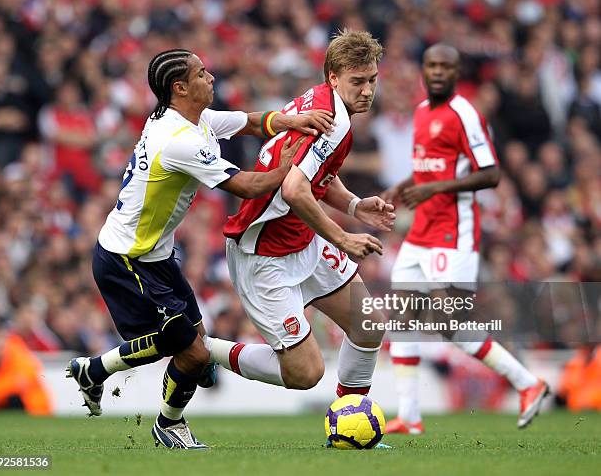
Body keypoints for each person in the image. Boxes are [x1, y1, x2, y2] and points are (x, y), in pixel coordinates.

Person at [66, 49, 334, 449]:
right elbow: (247, 185)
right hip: (126, 258)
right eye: (201, 73)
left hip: (157, 256)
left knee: (194, 350)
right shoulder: (177, 141)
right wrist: (291, 168)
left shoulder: (193, 119)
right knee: (185, 346)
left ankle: (136, 401)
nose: (211, 77)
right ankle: (109, 380)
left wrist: (294, 120)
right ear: (180, 87)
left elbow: (252, 122)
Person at [207, 30, 394, 443]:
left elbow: (314, 173)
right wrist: (343, 237)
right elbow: (294, 189)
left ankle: (347, 425)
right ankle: (205, 350)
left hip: (302, 241)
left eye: (372, 80)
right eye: (357, 81)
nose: (367, 91)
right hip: (265, 255)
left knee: (367, 326)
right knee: (306, 374)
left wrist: (352, 205)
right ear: (333, 77)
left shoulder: (321, 101)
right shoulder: (336, 120)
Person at [381, 44, 549, 435]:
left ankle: (528, 382)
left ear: (456, 73)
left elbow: (490, 174)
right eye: (431, 65)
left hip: (452, 234)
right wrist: (402, 186)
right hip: (422, 230)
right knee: (403, 316)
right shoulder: (422, 112)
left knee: (449, 322)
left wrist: (434, 188)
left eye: (445, 66)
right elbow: (429, 167)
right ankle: (410, 416)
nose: (437, 72)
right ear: (424, 70)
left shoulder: (465, 115)